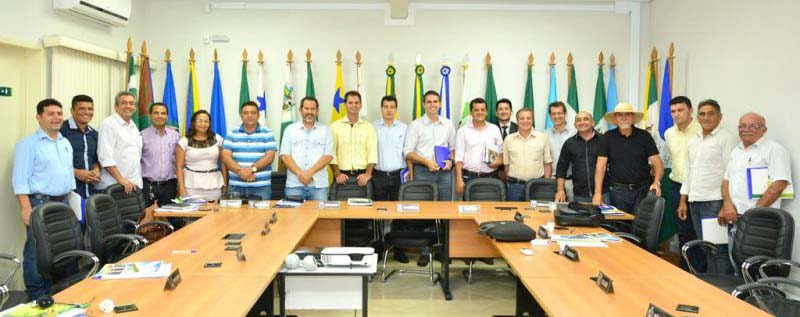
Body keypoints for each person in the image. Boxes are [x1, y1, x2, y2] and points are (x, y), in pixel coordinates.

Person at [12, 99, 75, 300]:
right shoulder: (28, 144)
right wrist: (25, 207)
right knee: (36, 250)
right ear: (39, 117)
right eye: (50, 114)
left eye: (59, 113)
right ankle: (36, 294)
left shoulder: (64, 142)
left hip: (63, 203)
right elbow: (20, 179)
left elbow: (68, 176)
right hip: (39, 204)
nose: (56, 117)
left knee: (60, 247)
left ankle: (56, 291)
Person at [678, 99, 737, 273]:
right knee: (706, 247)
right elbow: (688, 172)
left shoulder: (726, 138)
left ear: (720, 117)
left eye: (711, 114)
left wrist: (726, 204)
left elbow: (730, 174)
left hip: (715, 202)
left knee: (718, 249)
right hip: (695, 201)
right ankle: (710, 283)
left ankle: (720, 286)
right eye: (702, 114)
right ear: (697, 117)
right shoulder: (694, 141)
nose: (706, 117)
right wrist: (683, 200)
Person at [721, 112, 792, 228]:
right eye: (742, 126)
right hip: (734, 217)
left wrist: (755, 212)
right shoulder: (737, 150)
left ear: (764, 130)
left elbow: (779, 184)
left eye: (753, 126)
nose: (746, 130)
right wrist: (726, 204)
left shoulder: (774, 149)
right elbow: (726, 180)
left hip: (760, 218)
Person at [593, 103, 664, 214]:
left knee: (641, 223)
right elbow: (600, 166)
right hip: (618, 191)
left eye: (627, 114)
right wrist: (597, 193)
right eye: (620, 115)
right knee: (620, 223)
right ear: (615, 119)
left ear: (633, 118)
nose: (623, 118)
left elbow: (658, 164)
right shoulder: (607, 137)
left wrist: (656, 182)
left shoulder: (644, 136)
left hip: (643, 191)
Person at [663, 96, 702, 269]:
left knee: (699, 232)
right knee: (683, 230)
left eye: (680, 110)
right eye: (673, 111)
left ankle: (700, 271)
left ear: (690, 110)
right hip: (676, 186)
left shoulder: (701, 130)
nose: (676, 114)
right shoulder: (669, 133)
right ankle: (686, 268)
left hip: (698, 187)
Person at [404, 90, 456, 201]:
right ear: (424, 104)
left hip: (444, 173)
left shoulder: (448, 124)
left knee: (445, 207)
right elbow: (408, 153)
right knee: (424, 207)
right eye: (429, 102)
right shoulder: (415, 125)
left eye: (435, 101)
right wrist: (427, 162)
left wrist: (451, 162)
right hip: (422, 172)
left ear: (440, 104)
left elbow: (453, 149)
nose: (432, 105)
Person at [280, 97, 334, 201]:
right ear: (300, 110)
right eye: (306, 108)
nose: (309, 112)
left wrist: (309, 173)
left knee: (320, 212)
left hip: (318, 186)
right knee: (293, 212)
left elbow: (328, 156)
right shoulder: (290, 129)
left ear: (317, 111)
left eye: (313, 109)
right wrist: (301, 174)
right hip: (294, 185)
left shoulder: (325, 130)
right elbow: (285, 156)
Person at [222, 101, 278, 200]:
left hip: (261, 187)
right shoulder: (231, 133)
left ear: (258, 115)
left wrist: (251, 170)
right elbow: (225, 157)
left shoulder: (267, 133)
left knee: (262, 211)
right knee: (233, 211)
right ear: (241, 115)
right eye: (246, 113)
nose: (249, 115)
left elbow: (269, 157)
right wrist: (241, 172)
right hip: (236, 187)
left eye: (253, 112)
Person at [454, 98, 503, 196]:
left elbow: (502, 151)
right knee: (470, 205)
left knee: (491, 204)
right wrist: (459, 179)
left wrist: (499, 161)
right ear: (471, 112)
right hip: (469, 177)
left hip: (491, 177)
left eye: (482, 110)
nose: (480, 112)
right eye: (476, 110)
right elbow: (458, 157)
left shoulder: (494, 129)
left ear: (486, 112)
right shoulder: (463, 131)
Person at [96, 91, 143, 193]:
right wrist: (121, 179)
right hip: (114, 185)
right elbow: (105, 157)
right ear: (116, 107)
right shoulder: (108, 124)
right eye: (124, 103)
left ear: (135, 107)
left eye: (131, 103)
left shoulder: (133, 126)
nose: (128, 106)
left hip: (133, 184)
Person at [176, 110, 227, 202]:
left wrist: (225, 182)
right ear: (193, 123)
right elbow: (179, 167)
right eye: (200, 121)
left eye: (206, 121)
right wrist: (181, 188)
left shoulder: (217, 138)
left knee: (214, 210)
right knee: (192, 211)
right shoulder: (184, 141)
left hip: (214, 185)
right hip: (191, 186)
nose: (203, 124)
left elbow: (223, 162)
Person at [555, 111, 605, 203]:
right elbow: (561, 168)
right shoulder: (569, 143)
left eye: (586, 119)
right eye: (579, 120)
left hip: (603, 193)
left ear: (593, 123)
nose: (582, 122)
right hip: (580, 195)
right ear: (575, 125)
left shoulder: (604, 140)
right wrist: (560, 190)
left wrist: (599, 193)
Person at [503, 108, 552, 201]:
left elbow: (547, 164)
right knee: (514, 210)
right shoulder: (508, 140)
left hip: (537, 185)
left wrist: (545, 184)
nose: (525, 121)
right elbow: (506, 166)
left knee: (538, 210)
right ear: (517, 121)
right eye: (522, 118)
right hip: (515, 187)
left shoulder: (542, 138)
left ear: (532, 120)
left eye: (528, 118)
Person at [330, 91, 378, 187]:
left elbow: (372, 152)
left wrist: (368, 174)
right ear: (345, 105)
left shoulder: (369, 127)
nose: (354, 105)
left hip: (363, 176)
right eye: (350, 103)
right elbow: (331, 153)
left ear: (361, 105)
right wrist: (337, 174)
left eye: (356, 103)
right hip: (342, 176)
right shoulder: (335, 127)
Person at [140, 102, 180, 207]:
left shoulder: (175, 136)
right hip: (148, 185)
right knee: (147, 215)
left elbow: (180, 161)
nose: (159, 116)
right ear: (150, 115)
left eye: (163, 113)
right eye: (156, 113)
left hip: (170, 186)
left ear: (167, 116)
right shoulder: (142, 136)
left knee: (170, 215)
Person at [60, 94, 99, 199]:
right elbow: (52, 162)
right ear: (72, 111)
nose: (86, 112)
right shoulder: (60, 131)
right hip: (66, 193)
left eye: (90, 109)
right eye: (82, 109)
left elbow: (95, 160)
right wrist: (75, 173)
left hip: (90, 191)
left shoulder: (94, 134)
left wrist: (96, 170)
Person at [373, 95, 407, 201]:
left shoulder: (404, 128)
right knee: (379, 208)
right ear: (381, 108)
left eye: (392, 107)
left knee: (398, 207)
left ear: (396, 109)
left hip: (398, 175)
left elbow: (408, 152)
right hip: (378, 175)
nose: (389, 110)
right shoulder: (372, 127)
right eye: (386, 107)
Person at [545, 101, 577, 200]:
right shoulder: (545, 134)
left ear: (565, 114)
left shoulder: (575, 132)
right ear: (550, 116)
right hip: (553, 181)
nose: (557, 116)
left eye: (559, 113)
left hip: (572, 181)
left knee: (574, 208)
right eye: (553, 114)